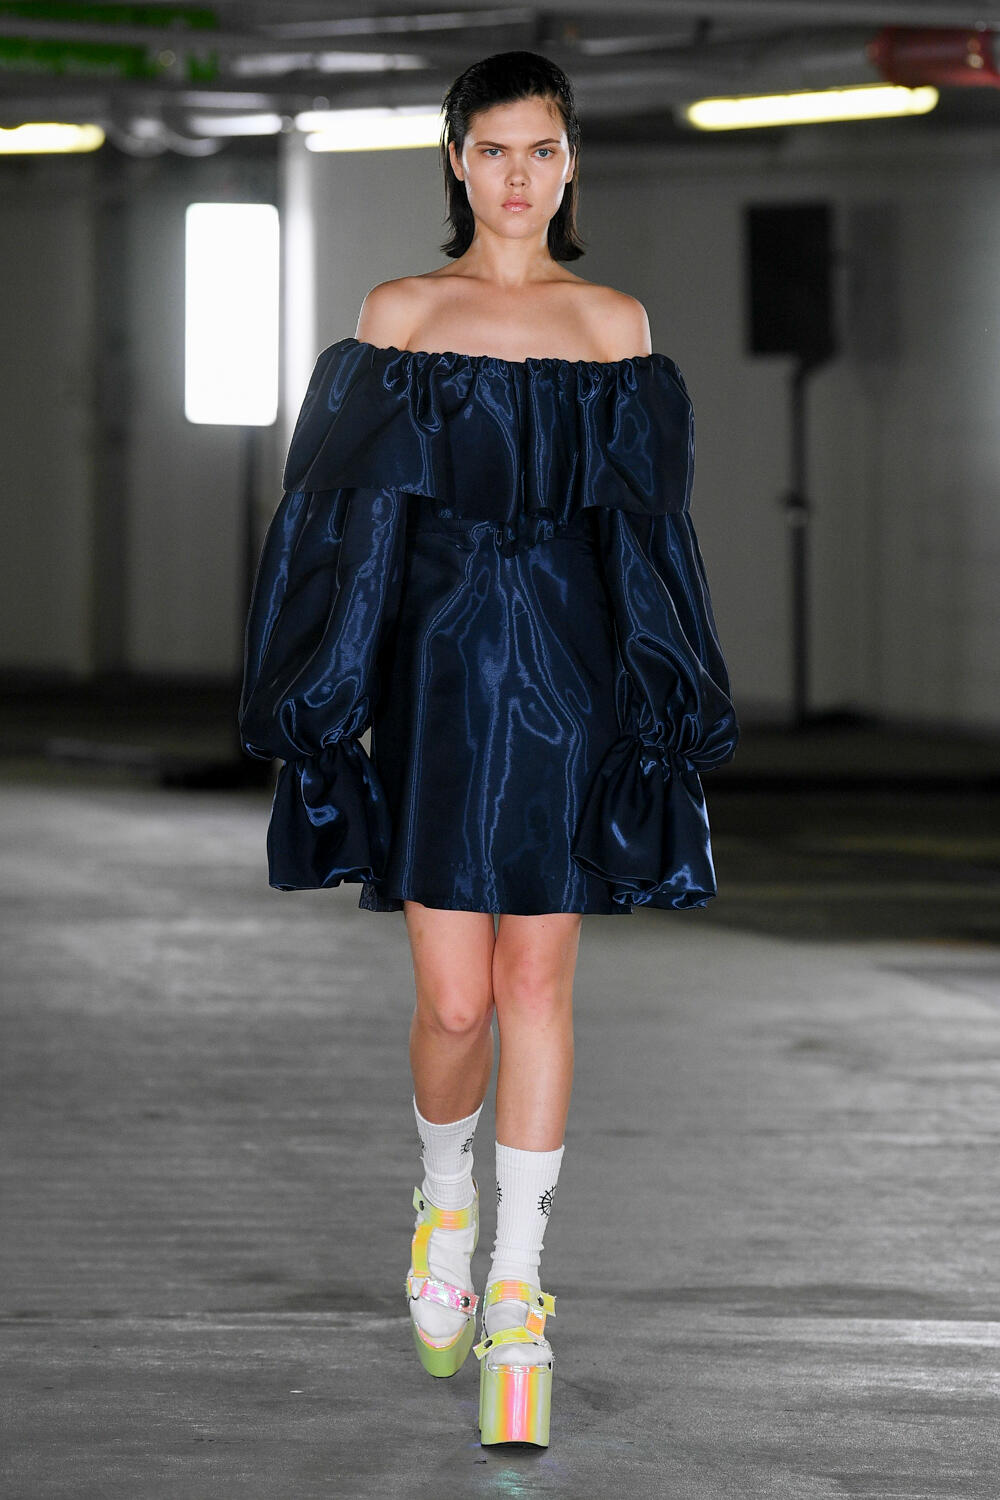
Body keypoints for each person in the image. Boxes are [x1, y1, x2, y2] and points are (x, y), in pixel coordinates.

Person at [239, 50, 739, 1449]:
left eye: (543, 151)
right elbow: (341, 534)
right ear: (457, 162)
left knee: (535, 983)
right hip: (443, 684)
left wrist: (664, 702)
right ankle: (443, 1200)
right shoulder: (399, 317)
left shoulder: (616, 325)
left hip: (573, 689)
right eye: (495, 150)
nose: (519, 176)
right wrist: (326, 693)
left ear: (571, 166)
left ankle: (518, 1287)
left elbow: (651, 545)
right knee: (455, 1005)